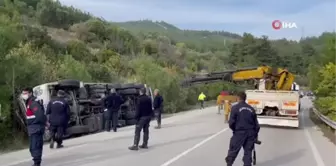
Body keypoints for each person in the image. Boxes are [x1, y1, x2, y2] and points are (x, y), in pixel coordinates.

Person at [225, 91, 260, 166]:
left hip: (239, 133)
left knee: (233, 151)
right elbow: (256, 126)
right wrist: (255, 135)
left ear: (238, 98)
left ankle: (229, 164)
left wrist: (235, 130)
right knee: (248, 153)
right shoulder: (251, 109)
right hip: (250, 133)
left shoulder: (235, 108)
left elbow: (231, 123)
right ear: (245, 99)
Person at [21, 87, 46, 166]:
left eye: (25, 93)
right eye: (23, 93)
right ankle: (36, 161)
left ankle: (37, 163)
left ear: (30, 93)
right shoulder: (29, 102)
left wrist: (42, 124)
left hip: (36, 127)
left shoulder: (33, 103)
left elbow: (39, 115)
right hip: (33, 127)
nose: (24, 95)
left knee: (35, 145)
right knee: (33, 146)